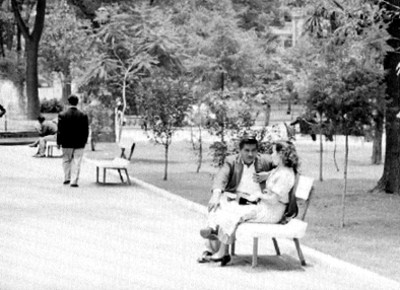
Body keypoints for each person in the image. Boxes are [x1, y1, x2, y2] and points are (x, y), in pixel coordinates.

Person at [198, 139, 299, 266]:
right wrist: (267, 175)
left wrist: (258, 195)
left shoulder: (279, 169)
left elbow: (277, 194)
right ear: (240, 151)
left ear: (281, 155)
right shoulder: (278, 168)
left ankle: (217, 239)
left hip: (271, 210)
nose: (251, 154)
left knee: (235, 213)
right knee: (224, 207)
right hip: (260, 204)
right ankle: (215, 236)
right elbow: (220, 178)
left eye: (273, 152)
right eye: (246, 150)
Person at [57, 95, 89, 187]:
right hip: (79, 142)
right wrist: (85, 141)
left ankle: (67, 178)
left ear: (68, 102)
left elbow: (60, 130)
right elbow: (86, 130)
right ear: (77, 102)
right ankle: (74, 181)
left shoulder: (62, 115)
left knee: (66, 160)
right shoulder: (83, 115)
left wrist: (59, 142)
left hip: (66, 142)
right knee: (77, 161)